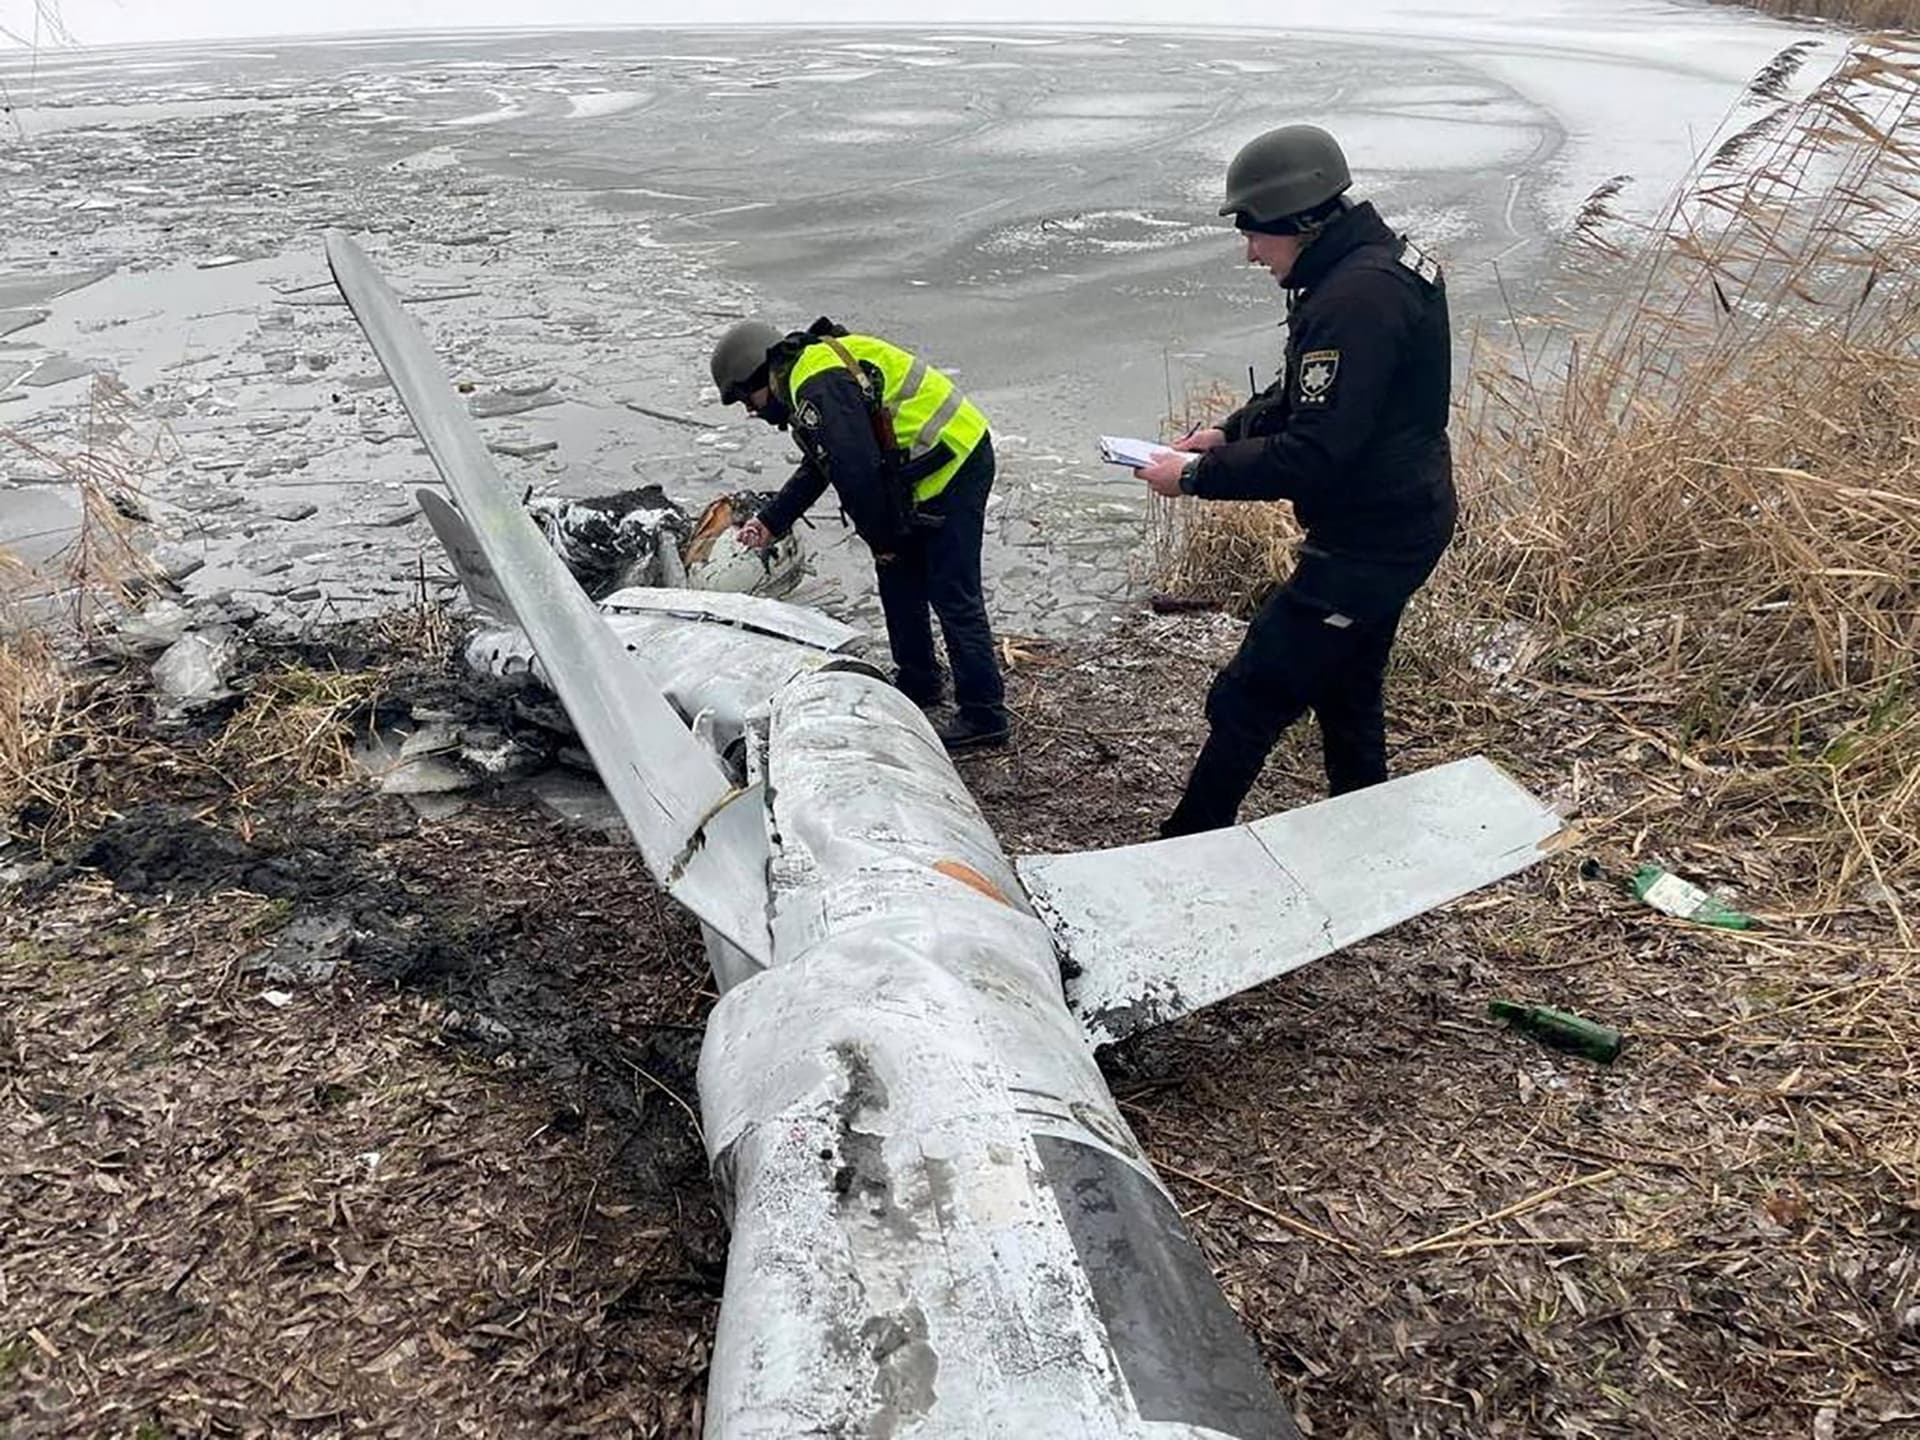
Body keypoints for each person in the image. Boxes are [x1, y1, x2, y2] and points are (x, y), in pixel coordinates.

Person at [1134, 124, 1456, 836]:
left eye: (1255, 233)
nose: (1249, 251)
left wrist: (1195, 476)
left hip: (1371, 539)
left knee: (1255, 690)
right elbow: (1313, 392)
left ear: (1302, 220)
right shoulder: (1363, 268)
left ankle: (1186, 843)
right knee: (1348, 683)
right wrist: (1229, 431)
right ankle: (1362, 826)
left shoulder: (1356, 298)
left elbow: (1315, 451)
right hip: (1397, 517)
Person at [710, 316, 1010, 750]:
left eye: (745, 399)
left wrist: (884, 539)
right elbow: (822, 462)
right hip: (925, 467)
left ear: (757, 373)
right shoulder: (804, 376)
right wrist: (772, 520)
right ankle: (919, 681)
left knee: (950, 591)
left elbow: (858, 475)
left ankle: (985, 715)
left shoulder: (817, 385)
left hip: (955, 463)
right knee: (898, 575)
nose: (752, 411)